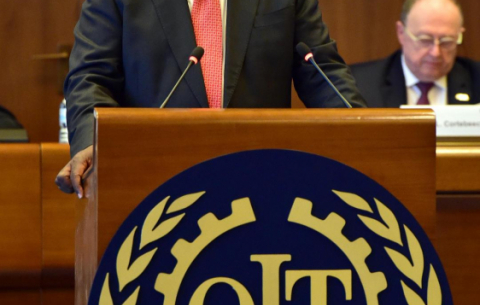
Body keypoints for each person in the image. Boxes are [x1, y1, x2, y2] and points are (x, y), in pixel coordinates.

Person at [55, 0, 366, 198]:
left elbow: (322, 71)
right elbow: (90, 77)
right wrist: (92, 141)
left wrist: (364, 134)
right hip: (151, 182)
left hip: (265, 185)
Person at [350, 0, 480, 108]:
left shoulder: (476, 79)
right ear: (401, 33)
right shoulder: (358, 85)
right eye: (425, 40)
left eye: (447, 41)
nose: (436, 52)